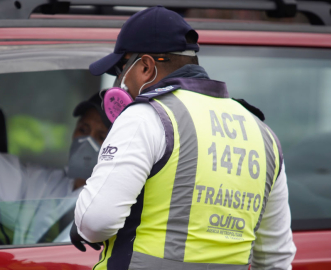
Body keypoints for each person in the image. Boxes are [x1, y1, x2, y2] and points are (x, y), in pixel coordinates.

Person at [72, 6, 296, 270]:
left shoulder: (145, 117)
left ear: (146, 66)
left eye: (121, 70)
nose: (120, 82)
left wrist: (83, 225)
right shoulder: (263, 134)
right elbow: (276, 258)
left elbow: (96, 221)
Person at [0, 83, 110, 246]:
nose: (87, 141)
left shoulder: (110, 211)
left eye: (101, 136)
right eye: (83, 129)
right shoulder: (45, 183)